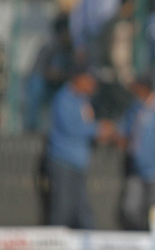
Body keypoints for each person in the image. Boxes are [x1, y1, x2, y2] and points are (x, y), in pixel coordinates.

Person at [45, 64, 114, 229]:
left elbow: (86, 125)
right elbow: (73, 127)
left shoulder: (83, 100)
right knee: (62, 209)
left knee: (81, 209)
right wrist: (98, 129)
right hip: (63, 161)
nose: (93, 85)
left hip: (78, 162)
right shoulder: (64, 98)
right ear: (79, 79)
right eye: (90, 80)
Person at [117, 74, 155, 231]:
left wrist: (150, 159)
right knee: (130, 207)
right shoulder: (134, 108)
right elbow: (125, 130)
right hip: (136, 168)